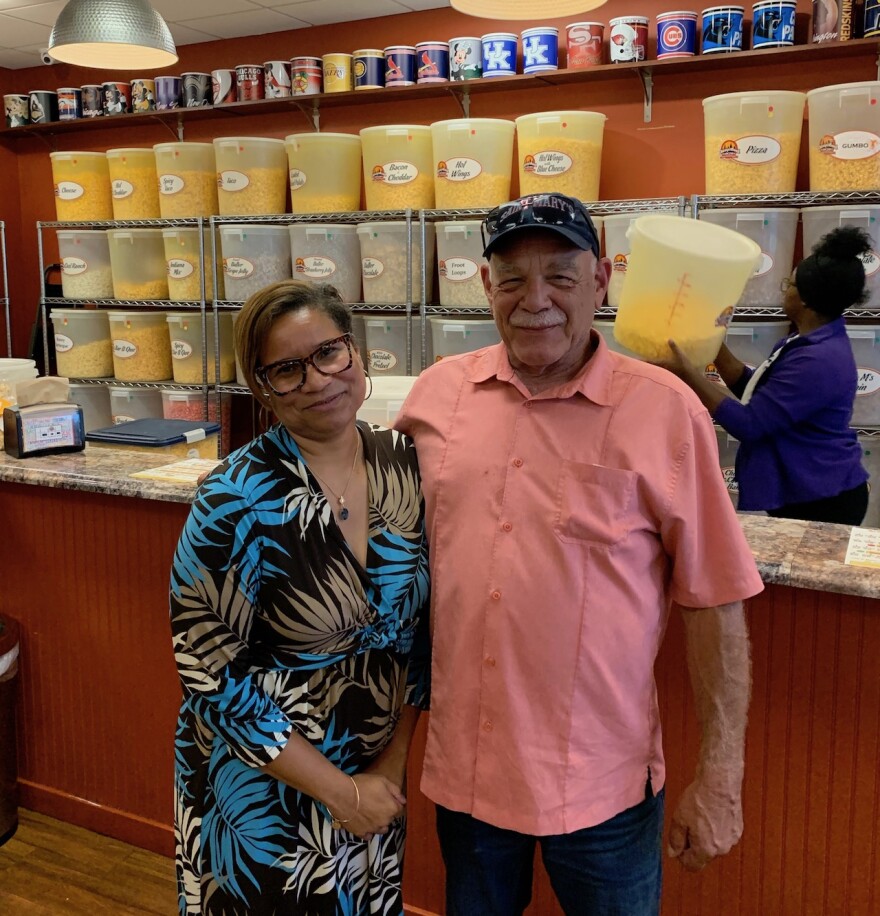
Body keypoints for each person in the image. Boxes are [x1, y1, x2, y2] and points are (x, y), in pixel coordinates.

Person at [394, 192, 764, 915]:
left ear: (601, 282)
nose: (537, 301)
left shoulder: (664, 410)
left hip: (602, 785)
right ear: (485, 286)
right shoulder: (436, 399)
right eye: (513, 280)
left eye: (561, 277)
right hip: (467, 776)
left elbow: (714, 596)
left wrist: (721, 774)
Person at [169, 280, 430, 915]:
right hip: (266, 789)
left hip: (374, 780)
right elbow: (210, 673)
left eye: (329, 353)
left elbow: (423, 635)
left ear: (357, 354)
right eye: (286, 370)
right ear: (261, 389)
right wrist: (339, 792)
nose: (317, 380)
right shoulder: (233, 499)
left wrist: (391, 765)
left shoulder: (405, 462)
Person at [663, 225, 869, 525]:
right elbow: (754, 389)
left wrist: (686, 373)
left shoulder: (817, 359)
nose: (784, 290)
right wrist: (712, 337)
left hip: (823, 497)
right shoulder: (805, 342)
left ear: (807, 299)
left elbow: (750, 424)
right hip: (809, 490)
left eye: (791, 285)